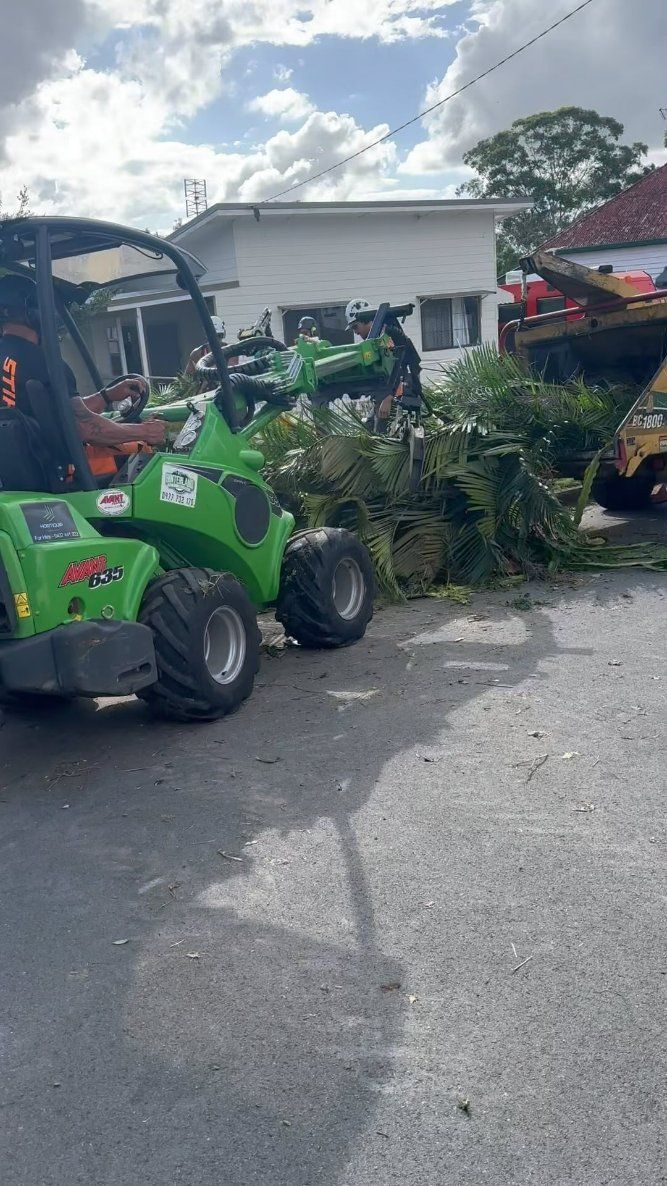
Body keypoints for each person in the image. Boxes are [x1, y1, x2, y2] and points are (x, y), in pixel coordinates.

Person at [0, 275, 165, 479]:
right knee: (143, 451)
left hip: (20, 468)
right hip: (58, 470)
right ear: (33, 311)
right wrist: (144, 432)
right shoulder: (46, 363)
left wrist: (107, 396)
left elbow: (63, 414)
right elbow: (86, 428)